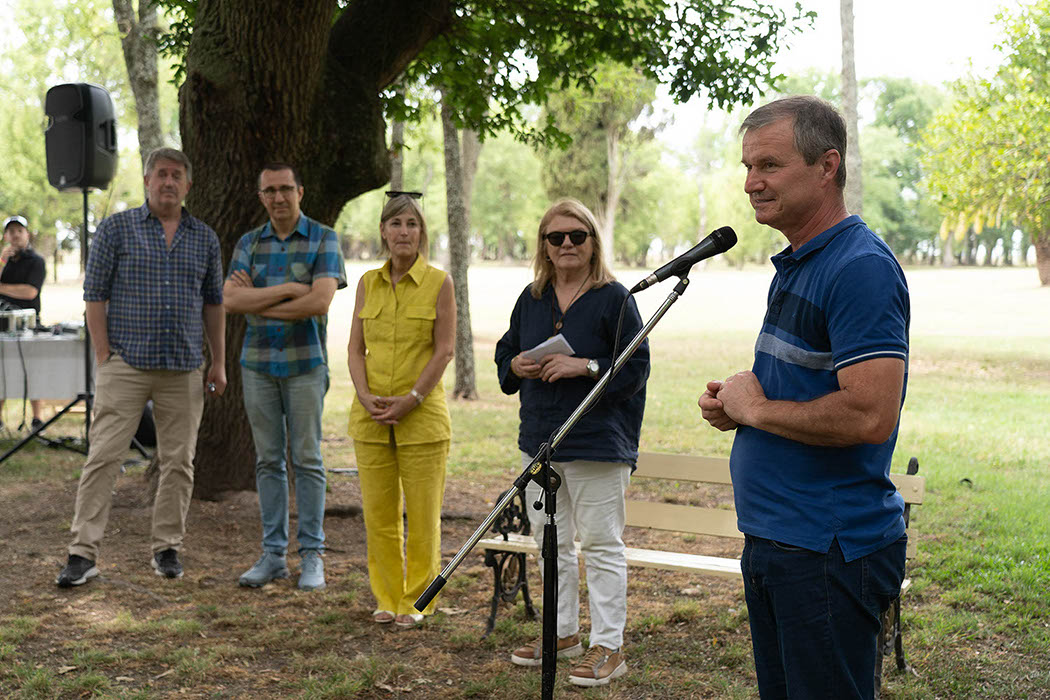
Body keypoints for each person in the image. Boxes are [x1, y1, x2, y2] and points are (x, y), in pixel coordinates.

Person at [698, 96, 910, 700]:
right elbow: (807, 387)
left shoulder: (859, 267)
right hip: (779, 540)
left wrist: (759, 410)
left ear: (827, 166)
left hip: (826, 549)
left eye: (769, 165)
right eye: (747, 167)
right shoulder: (799, 261)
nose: (751, 183)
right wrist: (738, 408)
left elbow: (870, 414)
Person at [495, 198, 649, 687]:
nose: (566, 244)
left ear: (593, 242)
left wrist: (585, 366)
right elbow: (505, 351)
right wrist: (515, 364)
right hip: (540, 441)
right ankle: (561, 634)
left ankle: (609, 646)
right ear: (543, 245)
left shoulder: (615, 298)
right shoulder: (531, 298)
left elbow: (636, 367)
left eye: (577, 236)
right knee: (550, 543)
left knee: (601, 544)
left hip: (597, 443)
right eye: (555, 237)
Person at [56, 147, 227, 587]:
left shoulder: (205, 238)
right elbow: (94, 295)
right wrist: (103, 354)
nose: (168, 182)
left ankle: (167, 547)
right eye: (161, 174)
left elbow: (214, 304)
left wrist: (219, 362)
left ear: (188, 185)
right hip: (125, 365)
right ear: (147, 181)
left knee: (179, 462)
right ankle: (82, 553)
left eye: (176, 176)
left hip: (184, 367)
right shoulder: (117, 229)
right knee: (103, 458)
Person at [225, 163, 346, 592]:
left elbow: (319, 302)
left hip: (305, 365)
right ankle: (273, 555)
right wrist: (290, 290)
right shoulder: (249, 243)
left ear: (300, 192)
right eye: (270, 191)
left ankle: (312, 554)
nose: (278, 197)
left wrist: (258, 301)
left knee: (307, 459)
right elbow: (230, 300)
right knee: (268, 461)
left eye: (285, 189)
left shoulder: (324, 238)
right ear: (261, 197)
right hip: (257, 365)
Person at [347, 193, 455, 627]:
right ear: (383, 231)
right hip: (371, 418)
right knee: (379, 515)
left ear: (421, 232)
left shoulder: (439, 283)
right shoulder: (367, 283)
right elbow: (355, 349)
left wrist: (412, 399)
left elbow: (444, 350)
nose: (404, 232)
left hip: (422, 419)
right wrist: (363, 394)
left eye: (412, 224)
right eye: (396, 224)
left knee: (424, 518)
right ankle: (387, 597)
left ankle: (419, 601)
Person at [0, 215, 47, 431]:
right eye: (11, 231)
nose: (16, 235)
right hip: (3, 324)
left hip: (29, 324)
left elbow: (30, 292)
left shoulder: (37, 261)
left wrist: (2, 288)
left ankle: (37, 418)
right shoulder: (3, 260)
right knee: (2, 370)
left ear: (27, 234)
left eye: (20, 231)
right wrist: (2, 262)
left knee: (33, 370)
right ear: (5, 236)